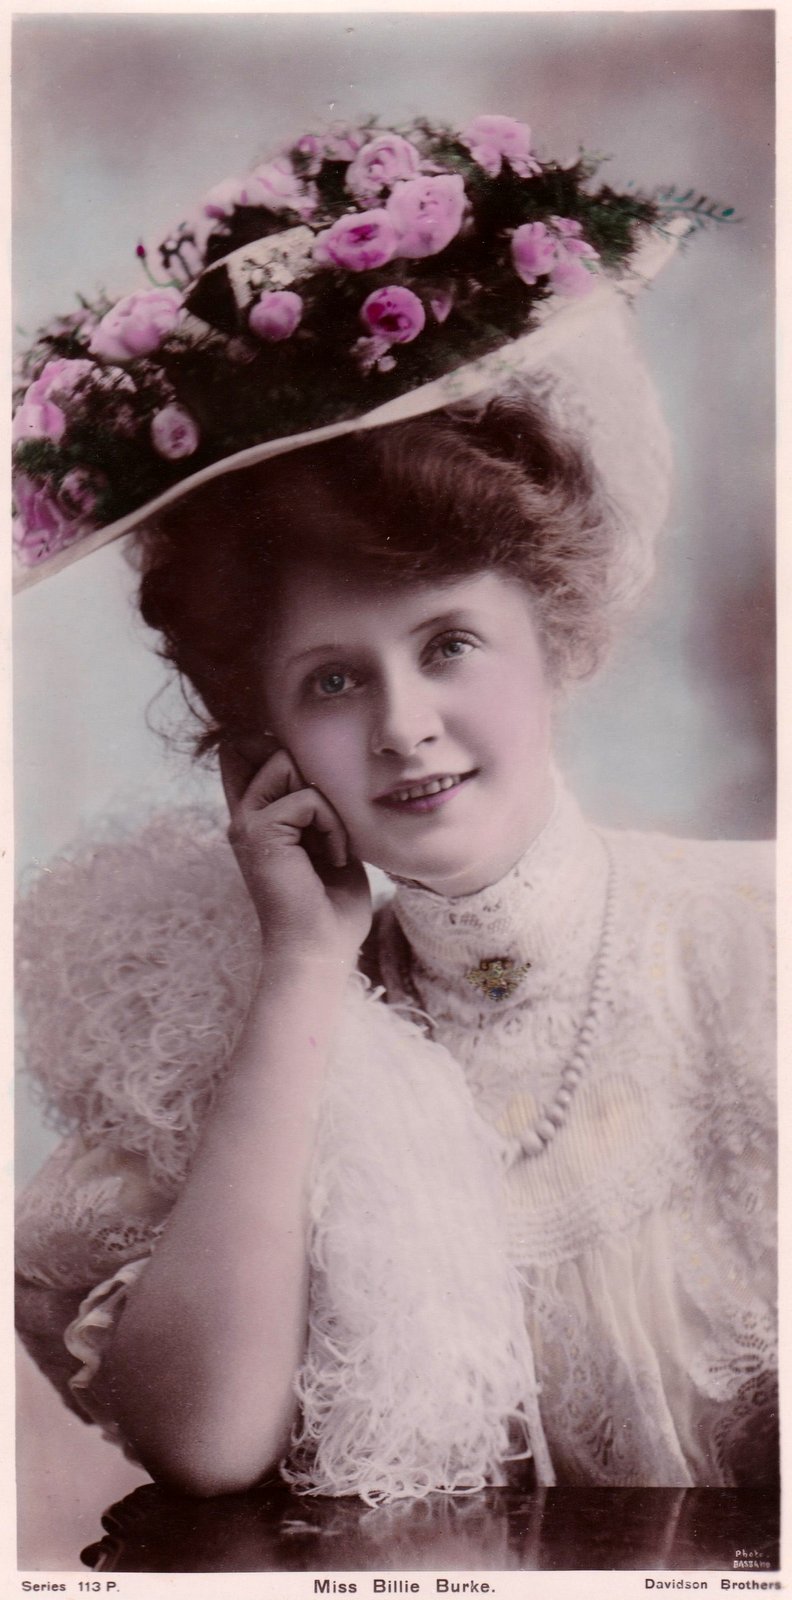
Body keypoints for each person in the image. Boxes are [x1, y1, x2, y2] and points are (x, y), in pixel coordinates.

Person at [14, 116, 777, 1503]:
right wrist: (304, 972)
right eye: (329, 681)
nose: (404, 725)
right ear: (264, 738)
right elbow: (204, 1441)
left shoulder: (753, 951)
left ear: (553, 640)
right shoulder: (222, 1022)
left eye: (448, 646)